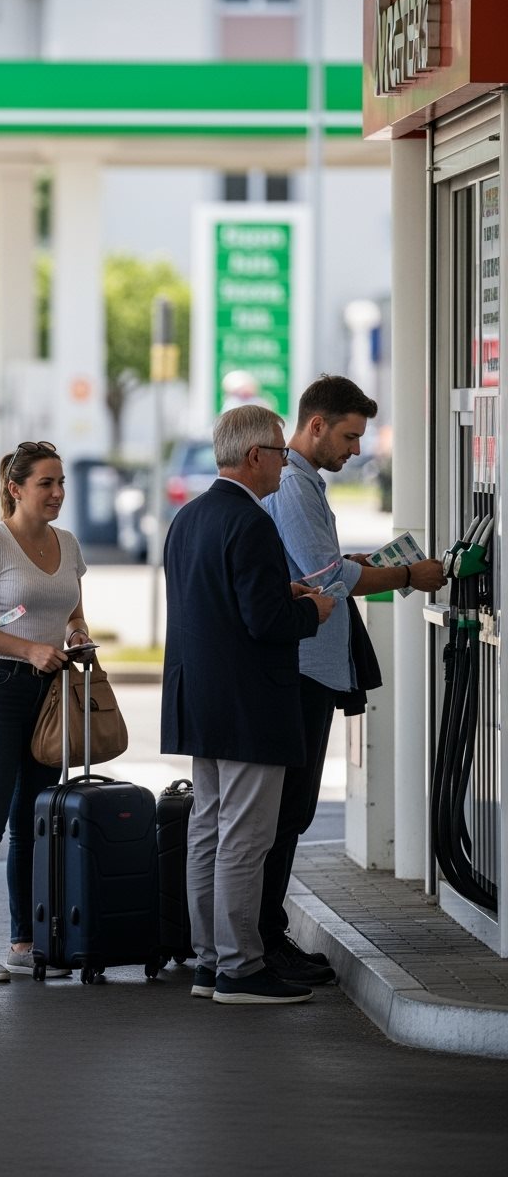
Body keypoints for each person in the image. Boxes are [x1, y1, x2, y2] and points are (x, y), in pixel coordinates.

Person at [260, 375, 447, 984]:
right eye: (348, 435)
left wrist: (358, 565)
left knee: (292, 809)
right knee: (287, 811)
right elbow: (322, 574)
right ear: (316, 425)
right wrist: (406, 577)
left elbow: (324, 566)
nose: (356, 450)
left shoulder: (303, 482)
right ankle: (264, 939)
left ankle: (267, 933)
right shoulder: (293, 483)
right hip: (302, 668)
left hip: (312, 666)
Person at [161, 405, 335, 1004]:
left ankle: (210, 959)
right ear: (256, 455)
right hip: (249, 704)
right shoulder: (252, 523)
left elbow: (216, 604)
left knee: (207, 830)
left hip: (199, 701)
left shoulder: (188, 517)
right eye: (282, 454)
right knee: (245, 836)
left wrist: (276, 592)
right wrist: (312, 608)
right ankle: (240, 967)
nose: (285, 465)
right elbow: (266, 622)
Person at [0, 440, 93, 982]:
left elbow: (72, 610)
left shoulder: (68, 544)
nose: (57, 494)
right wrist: (28, 648)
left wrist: (76, 635)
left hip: (49, 693)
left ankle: (24, 941)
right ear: (15, 487)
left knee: (31, 824)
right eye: (45, 484)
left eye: (61, 484)